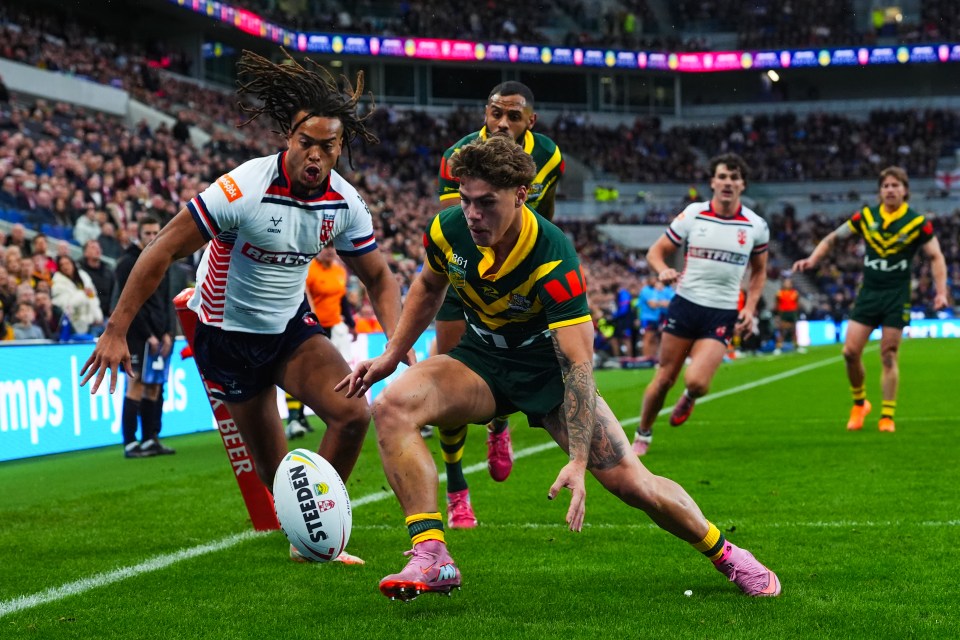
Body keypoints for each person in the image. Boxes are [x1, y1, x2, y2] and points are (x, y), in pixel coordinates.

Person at [336, 136, 780, 602]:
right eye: (466, 201)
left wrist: (580, 461)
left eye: (487, 203)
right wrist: (391, 354)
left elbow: (578, 364)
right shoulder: (448, 229)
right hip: (481, 359)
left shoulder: (552, 253)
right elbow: (428, 286)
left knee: (632, 484)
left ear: (520, 195)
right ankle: (432, 556)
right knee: (390, 406)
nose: (473, 214)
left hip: (549, 370)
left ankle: (726, 553)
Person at [81, 49, 406, 564]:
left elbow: (379, 277)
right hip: (226, 335)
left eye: (327, 146)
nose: (315, 156)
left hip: (290, 329)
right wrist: (116, 329)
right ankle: (302, 528)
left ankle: (315, 538)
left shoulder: (345, 202)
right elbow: (162, 247)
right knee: (275, 473)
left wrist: (396, 341)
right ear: (289, 138)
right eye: (306, 143)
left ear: (341, 146)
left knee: (351, 414)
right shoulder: (243, 188)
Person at [433, 81, 565, 528]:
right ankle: (456, 490)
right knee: (446, 380)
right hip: (465, 276)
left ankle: (498, 423)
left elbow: (546, 211)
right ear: (484, 114)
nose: (502, 124)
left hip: (522, 275)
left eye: (512, 116)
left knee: (532, 361)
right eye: (494, 114)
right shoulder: (459, 157)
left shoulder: (549, 154)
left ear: (531, 122)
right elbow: (457, 227)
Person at [631, 153, 769, 456]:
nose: (728, 183)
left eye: (734, 178)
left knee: (697, 382)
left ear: (743, 184)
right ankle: (643, 433)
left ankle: (691, 397)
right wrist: (662, 269)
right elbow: (656, 252)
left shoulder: (756, 226)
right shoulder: (694, 214)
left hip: (721, 311)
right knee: (665, 377)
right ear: (712, 182)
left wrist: (750, 308)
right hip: (686, 304)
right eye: (722, 177)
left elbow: (759, 271)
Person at [792, 166, 948, 433]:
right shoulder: (866, 217)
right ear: (879, 191)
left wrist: (941, 292)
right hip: (869, 293)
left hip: (896, 296)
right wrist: (812, 259)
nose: (890, 190)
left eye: (895, 185)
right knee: (850, 353)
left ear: (905, 191)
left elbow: (936, 257)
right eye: (885, 185)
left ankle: (887, 415)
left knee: (888, 354)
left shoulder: (917, 223)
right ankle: (859, 403)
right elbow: (832, 239)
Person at [112, 216, 176, 458]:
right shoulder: (127, 262)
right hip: (138, 336)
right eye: (147, 233)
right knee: (136, 384)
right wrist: (149, 334)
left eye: (154, 232)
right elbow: (128, 304)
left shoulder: (163, 258)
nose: (151, 237)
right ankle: (130, 442)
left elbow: (166, 299)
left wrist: (169, 331)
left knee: (154, 386)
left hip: (161, 336)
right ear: (137, 235)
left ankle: (150, 438)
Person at [285, 244, 357, 440]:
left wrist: (351, 324)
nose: (330, 251)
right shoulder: (309, 270)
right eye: (326, 247)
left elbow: (342, 300)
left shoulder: (339, 271)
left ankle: (317, 415)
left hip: (335, 327)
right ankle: (295, 417)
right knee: (302, 372)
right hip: (310, 326)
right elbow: (304, 297)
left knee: (331, 373)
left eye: (333, 248)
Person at [51, 255, 104, 335]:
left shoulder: (83, 277)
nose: (65, 267)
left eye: (67, 263)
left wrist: (98, 317)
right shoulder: (57, 284)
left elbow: (93, 298)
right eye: (62, 265)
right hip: (74, 326)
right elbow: (67, 307)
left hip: (93, 322)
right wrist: (83, 294)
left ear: (73, 264)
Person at [80, 239, 115, 324]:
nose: (97, 249)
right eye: (93, 247)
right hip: (88, 317)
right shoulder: (79, 271)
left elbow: (114, 293)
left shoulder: (108, 271)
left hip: (107, 316)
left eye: (98, 247)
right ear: (85, 253)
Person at [774, 277, 800, 354]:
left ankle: (796, 346)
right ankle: (778, 347)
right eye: (786, 283)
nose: (787, 284)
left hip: (792, 312)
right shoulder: (779, 293)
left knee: (794, 330)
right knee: (781, 330)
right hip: (783, 313)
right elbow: (776, 303)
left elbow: (797, 303)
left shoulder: (795, 293)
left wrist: (796, 312)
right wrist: (778, 314)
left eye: (788, 283)